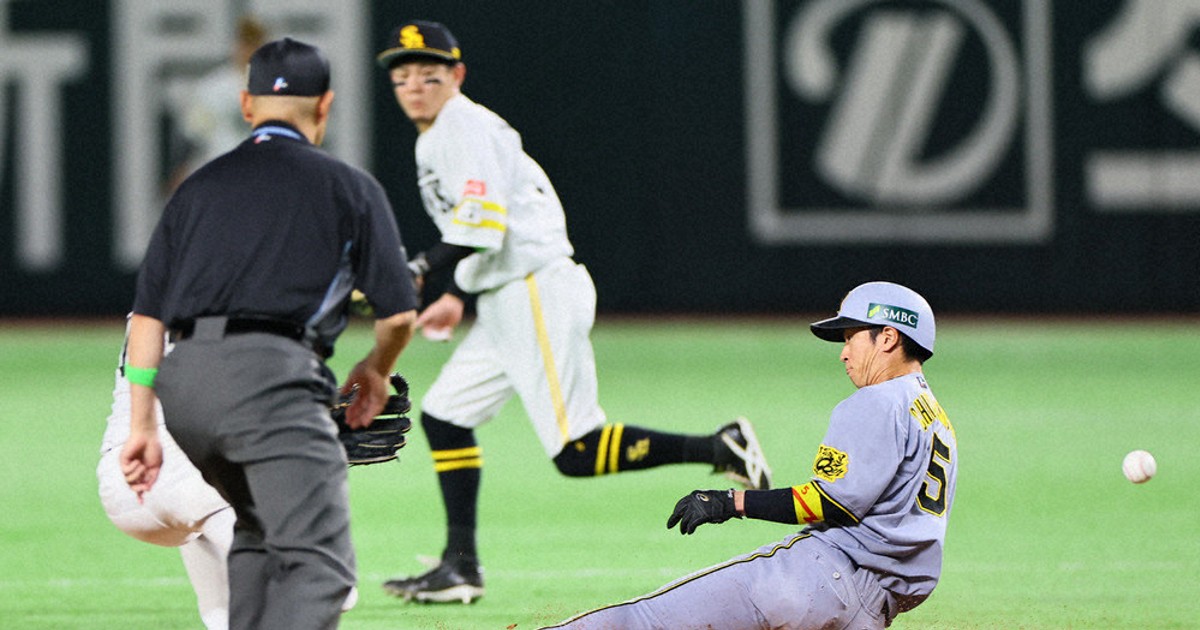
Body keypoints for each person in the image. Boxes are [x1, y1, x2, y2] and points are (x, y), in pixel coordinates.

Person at [373, 20, 773, 605]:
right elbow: (487, 219)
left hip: (533, 290)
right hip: (508, 292)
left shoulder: (461, 125)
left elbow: (482, 223)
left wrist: (419, 269)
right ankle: (460, 567)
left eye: (429, 75)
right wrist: (458, 290)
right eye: (403, 76)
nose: (414, 86)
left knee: (576, 453)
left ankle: (720, 447)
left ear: (455, 76)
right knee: (444, 415)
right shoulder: (444, 133)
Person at [120, 37, 419, 630]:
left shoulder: (196, 190)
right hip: (269, 378)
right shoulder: (350, 187)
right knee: (321, 570)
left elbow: (147, 319)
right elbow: (398, 314)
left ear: (247, 105)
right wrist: (376, 370)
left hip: (184, 391)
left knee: (257, 535)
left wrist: (140, 425)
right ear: (326, 106)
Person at [543, 281, 958, 630]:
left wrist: (729, 502)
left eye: (851, 337)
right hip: (873, 611)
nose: (843, 352)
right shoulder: (936, 418)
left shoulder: (875, 402)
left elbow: (827, 502)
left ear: (888, 337)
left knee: (641, 622)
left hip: (820, 580)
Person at [98, 318, 234, 630]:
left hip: (125, 475)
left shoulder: (163, 284)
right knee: (325, 584)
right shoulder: (242, 296)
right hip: (193, 482)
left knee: (223, 616)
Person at [164, 15, 270, 194]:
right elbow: (194, 136)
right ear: (237, 45)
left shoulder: (278, 91)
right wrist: (182, 170)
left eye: (256, 43)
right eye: (246, 43)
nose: (250, 50)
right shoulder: (213, 87)